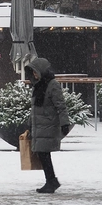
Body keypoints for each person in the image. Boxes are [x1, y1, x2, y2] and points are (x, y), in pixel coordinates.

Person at [25, 57, 71, 194]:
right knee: (43, 154)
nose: (34, 75)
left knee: (44, 154)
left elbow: (60, 106)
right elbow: (35, 109)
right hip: (40, 126)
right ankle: (51, 181)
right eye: (32, 73)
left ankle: (51, 181)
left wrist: (64, 123)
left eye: (35, 72)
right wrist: (30, 125)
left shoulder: (52, 85)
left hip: (48, 125)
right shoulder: (38, 85)